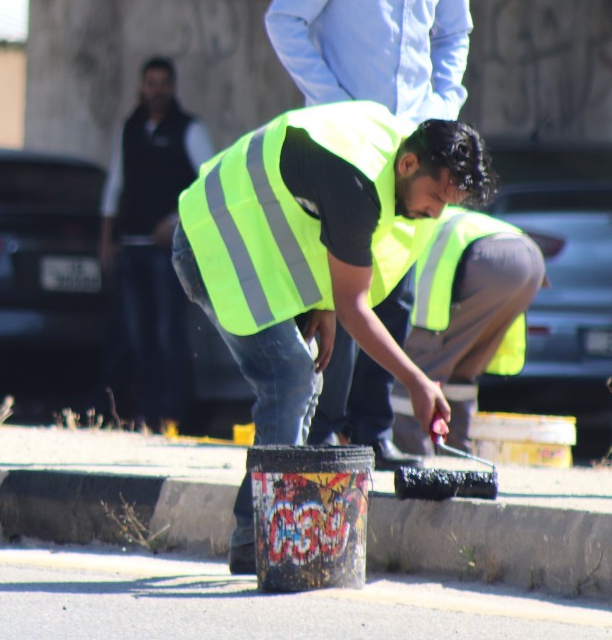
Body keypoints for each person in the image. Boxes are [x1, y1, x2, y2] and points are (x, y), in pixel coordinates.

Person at [169, 101, 495, 574]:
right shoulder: (357, 182)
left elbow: (317, 219)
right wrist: (418, 382)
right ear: (408, 165)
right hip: (213, 244)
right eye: (436, 198)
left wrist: (322, 301)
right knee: (291, 378)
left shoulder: (394, 148)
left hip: (249, 249)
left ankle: (257, 531)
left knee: (299, 382)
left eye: (448, 205)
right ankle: (258, 538)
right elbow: (356, 307)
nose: (435, 212)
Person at [265, 0, 473, 469]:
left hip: (413, 146)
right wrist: (333, 104)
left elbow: (454, 35)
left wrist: (442, 109)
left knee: (394, 286)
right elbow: (286, 18)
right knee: (339, 281)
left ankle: (372, 429)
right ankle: (324, 429)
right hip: (346, 145)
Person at [99, 56, 215, 430]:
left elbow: (211, 182)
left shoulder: (188, 129)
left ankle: (177, 416)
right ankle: (147, 416)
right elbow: (115, 185)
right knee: (137, 336)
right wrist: (106, 240)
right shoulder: (130, 129)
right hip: (130, 249)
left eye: (164, 83)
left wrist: (176, 221)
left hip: (169, 254)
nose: (157, 90)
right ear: (141, 86)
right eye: (151, 82)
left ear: (173, 87)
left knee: (169, 334)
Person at [390, 209, 545, 455]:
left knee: (418, 369)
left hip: (485, 261)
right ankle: (455, 456)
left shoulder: (404, 215)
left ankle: (413, 458)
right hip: (530, 258)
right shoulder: (435, 206)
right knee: (461, 371)